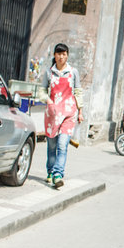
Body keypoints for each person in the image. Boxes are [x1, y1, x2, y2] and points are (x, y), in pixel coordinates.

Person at [39, 43, 84, 188]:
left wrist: (80, 111)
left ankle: (58, 174)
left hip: (68, 114)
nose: (61, 57)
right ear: (54, 55)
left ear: (67, 55)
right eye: (58, 54)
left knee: (62, 145)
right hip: (52, 114)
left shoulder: (73, 72)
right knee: (52, 146)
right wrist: (48, 100)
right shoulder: (48, 73)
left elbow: (78, 91)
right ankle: (50, 171)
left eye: (64, 54)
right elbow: (41, 91)